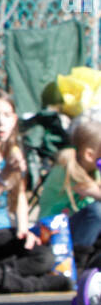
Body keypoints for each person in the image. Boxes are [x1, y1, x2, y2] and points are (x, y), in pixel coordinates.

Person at [0, 88, 70, 293]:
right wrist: (5, 175)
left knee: (44, 258)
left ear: (15, 119)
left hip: (3, 230)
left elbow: (20, 196)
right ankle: (39, 285)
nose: (1, 123)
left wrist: (24, 229)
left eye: (7, 115)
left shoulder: (14, 151)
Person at [33, 114, 101, 270]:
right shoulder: (68, 169)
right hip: (51, 232)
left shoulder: (93, 170)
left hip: (73, 230)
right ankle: (77, 263)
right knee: (97, 211)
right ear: (89, 155)